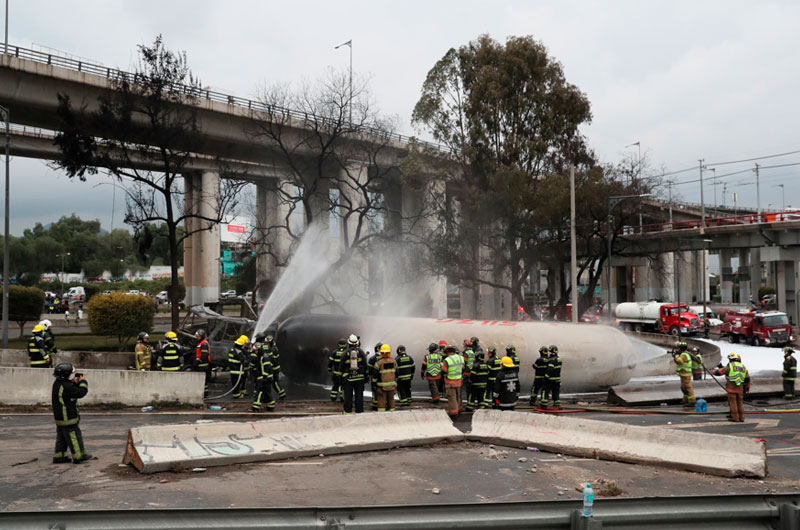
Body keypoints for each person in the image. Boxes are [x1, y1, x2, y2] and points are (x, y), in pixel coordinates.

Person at [51, 362, 91, 464]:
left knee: (62, 437)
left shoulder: (58, 384)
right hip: (68, 418)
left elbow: (68, 388)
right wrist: (83, 382)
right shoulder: (66, 386)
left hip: (60, 419)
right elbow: (81, 392)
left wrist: (74, 382)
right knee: (74, 436)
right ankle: (79, 456)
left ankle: (59, 456)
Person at [712, 353, 750, 422]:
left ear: (731, 359)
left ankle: (735, 418)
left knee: (733, 403)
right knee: (740, 403)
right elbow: (747, 379)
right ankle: (741, 417)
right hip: (740, 389)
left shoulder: (730, 365)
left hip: (731, 389)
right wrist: (746, 388)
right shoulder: (743, 366)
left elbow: (721, 372)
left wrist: (713, 371)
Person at [339, 334, 367, 414]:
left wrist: (340, 378)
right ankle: (359, 412)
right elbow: (365, 365)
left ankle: (348, 412)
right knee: (359, 397)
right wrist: (366, 377)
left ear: (349, 343)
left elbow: (341, 367)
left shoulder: (345, 353)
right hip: (359, 379)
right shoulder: (361, 352)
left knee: (348, 397)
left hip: (348, 378)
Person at [441, 344, 464, 419]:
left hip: (450, 382)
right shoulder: (461, 358)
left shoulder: (447, 360)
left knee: (452, 397)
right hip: (459, 380)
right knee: (458, 396)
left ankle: (454, 413)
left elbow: (444, 371)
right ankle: (459, 408)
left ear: (448, 352)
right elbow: (463, 368)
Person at [251, 341, 275, 412]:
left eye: (256, 350)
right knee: (267, 392)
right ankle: (271, 406)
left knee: (259, 392)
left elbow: (266, 368)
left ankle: (256, 407)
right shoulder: (261, 356)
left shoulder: (264, 357)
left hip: (265, 378)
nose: (255, 352)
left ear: (260, 349)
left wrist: (264, 378)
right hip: (266, 378)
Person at [373, 344, 398, 412]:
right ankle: (392, 413)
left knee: (381, 401)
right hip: (392, 386)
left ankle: (382, 416)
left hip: (381, 387)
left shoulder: (378, 363)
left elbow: (375, 375)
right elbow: (397, 373)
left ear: (381, 352)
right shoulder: (394, 361)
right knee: (391, 400)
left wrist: (374, 385)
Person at [673, 341, 695, 407]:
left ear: (681, 348)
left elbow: (679, 361)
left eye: (678, 347)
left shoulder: (684, 355)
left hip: (686, 373)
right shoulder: (684, 354)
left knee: (687, 387)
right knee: (683, 387)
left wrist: (676, 355)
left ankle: (692, 401)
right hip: (683, 373)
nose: (677, 349)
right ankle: (685, 399)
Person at [264, 335, 286, 401]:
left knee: (275, 383)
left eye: (267, 342)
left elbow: (271, 360)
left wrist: (269, 368)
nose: (266, 343)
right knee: (275, 382)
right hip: (275, 368)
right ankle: (282, 394)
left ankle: (282, 395)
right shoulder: (273, 347)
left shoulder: (272, 349)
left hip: (274, 369)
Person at [543, 345, 562, 409]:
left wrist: (546, 377)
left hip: (551, 379)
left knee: (546, 390)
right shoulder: (559, 359)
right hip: (557, 379)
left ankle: (544, 404)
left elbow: (550, 370)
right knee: (556, 392)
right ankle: (557, 403)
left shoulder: (552, 360)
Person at [194, 329, 212, 397]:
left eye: (198, 336)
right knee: (203, 381)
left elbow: (204, 355)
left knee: (203, 380)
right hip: (202, 365)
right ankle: (205, 393)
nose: (197, 337)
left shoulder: (204, 344)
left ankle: (204, 394)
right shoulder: (202, 343)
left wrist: (198, 361)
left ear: (202, 336)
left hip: (203, 365)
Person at [367, 342, 383, 410]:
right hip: (385, 378)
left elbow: (369, 370)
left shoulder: (372, 359)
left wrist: (367, 376)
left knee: (375, 391)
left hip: (375, 379)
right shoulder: (386, 358)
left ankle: (375, 403)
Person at [462, 339, 474, 403]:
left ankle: (468, 400)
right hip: (471, 370)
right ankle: (470, 399)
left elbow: (464, 362)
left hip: (467, 371)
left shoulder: (466, 353)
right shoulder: (472, 352)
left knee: (467, 388)